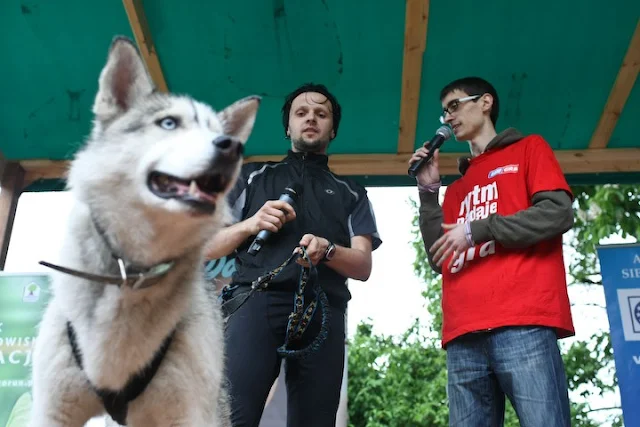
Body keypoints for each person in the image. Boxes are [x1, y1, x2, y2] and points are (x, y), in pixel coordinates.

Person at [206, 83, 382, 427]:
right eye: (301, 113)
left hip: (324, 310)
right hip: (256, 301)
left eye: (321, 113)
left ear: (333, 128)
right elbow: (205, 246)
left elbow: (363, 266)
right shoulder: (251, 177)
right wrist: (249, 225)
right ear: (288, 126)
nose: (311, 119)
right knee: (230, 419)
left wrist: (328, 250)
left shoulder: (353, 193)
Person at [409, 76, 575, 427]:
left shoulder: (529, 149)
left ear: (485, 103)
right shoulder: (455, 190)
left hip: (524, 322)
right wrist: (428, 193)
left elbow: (557, 212)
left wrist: (478, 229)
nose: (447, 118)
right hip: (463, 334)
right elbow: (440, 258)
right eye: (443, 112)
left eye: (454, 106)